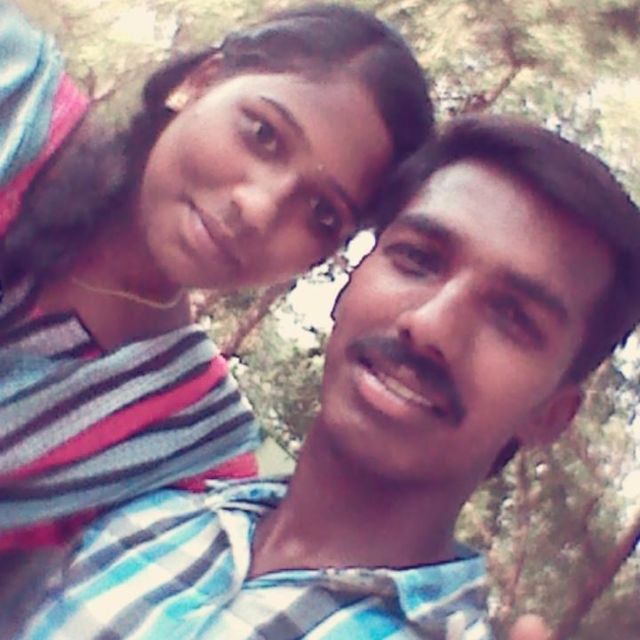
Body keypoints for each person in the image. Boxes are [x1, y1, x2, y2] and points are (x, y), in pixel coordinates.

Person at [17, 115, 640, 639]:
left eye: (512, 317)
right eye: (417, 260)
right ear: (350, 282)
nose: (429, 325)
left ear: (550, 413)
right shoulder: (142, 519)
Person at [0, 2, 433, 551]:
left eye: (322, 214)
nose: (258, 209)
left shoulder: (179, 447)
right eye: (263, 134)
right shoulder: (12, 95)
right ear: (200, 82)